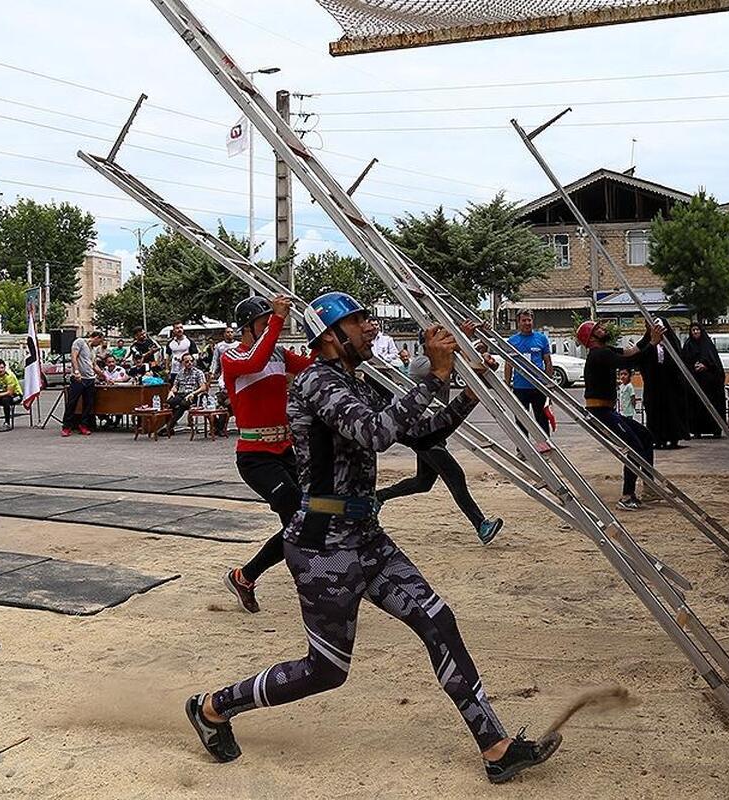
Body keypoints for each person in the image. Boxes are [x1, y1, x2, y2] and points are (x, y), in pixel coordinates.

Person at [186, 292, 562, 783]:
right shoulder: (316, 383)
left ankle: (496, 747)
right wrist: (435, 374)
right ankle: (213, 707)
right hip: (324, 548)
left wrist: (469, 390)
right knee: (327, 670)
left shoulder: (355, 381)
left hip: (365, 537)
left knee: (438, 622)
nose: (369, 327)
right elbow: (375, 434)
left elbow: (424, 434)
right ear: (330, 336)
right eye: (358, 320)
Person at [220, 294, 315, 614]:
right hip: (255, 456)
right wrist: (276, 318)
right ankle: (314, 587)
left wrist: (328, 338)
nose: (272, 327)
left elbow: (312, 368)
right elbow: (254, 363)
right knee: (299, 519)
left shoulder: (278, 352)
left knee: (303, 522)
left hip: (286, 451)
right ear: (247, 327)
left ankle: (244, 576)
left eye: (270, 322)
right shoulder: (232, 356)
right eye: (264, 323)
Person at [375, 350, 504, 545]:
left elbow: (464, 366)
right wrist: (479, 367)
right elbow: (457, 367)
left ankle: (379, 496)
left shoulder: (445, 358)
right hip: (421, 432)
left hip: (434, 429)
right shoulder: (422, 362)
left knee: (423, 482)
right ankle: (481, 525)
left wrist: (481, 364)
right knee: (455, 475)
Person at [578, 319, 662, 510]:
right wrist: (653, 344)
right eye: (598, 329)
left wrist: (648, 335)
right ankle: (627, 495)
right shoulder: (599, 354)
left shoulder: (606, 351)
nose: (603, 329)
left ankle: (648, 486)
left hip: (607, 410)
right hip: (599, 412)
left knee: (645, 437)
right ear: (591, 338)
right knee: (632, 446)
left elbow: (631, 352)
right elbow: (629, 361)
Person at [636, 319, 689, 449]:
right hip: (654, 385)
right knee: (655, 412)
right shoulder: (646, 343)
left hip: (671, 385)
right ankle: (657, 439)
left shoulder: (672, 343)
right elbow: (641, 358)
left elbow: (678, 362)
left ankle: (674, 438)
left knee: (672, 411)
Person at [504, 310, 554, 436]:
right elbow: (508, 364)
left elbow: (547, 361)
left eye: (529, 320)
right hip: (520, 388)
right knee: (521, 420)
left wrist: (549, 382)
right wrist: (507, 383)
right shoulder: (512, 341)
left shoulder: (541, 339)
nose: (527, 323)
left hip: (538, 387)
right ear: (518, 322)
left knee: (542, 419)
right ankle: (523, 450)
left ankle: (545, 448)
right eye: (524, 320)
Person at [681, 322, 726, 438]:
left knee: (712, 404)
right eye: (693, 330)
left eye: (697, 330)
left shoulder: (708, 345)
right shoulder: (688, 345)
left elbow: (716, 365)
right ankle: (696, 430)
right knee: (695, 406)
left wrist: (706, 366)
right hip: (695, 382)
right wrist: (693, 367)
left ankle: (715, 429)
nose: (695, 332)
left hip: (710, 383)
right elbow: (684, 362)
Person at [61, 330, 106, 437]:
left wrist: (103, 375)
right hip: (78, 379)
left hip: (90, 379)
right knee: (72, 402)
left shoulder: (93, 351)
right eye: (100, 341)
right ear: (96, 337)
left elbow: (93, 365)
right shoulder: (79, 342)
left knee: (88, 403)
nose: (99, 344)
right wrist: (76, 371)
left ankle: (83, 425)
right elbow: (74, 357)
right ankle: (66, 426)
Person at [162, 353, 207, 436]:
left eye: (191, 361)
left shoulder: (198, 372)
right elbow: (175, 386)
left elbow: (203, 387)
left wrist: (193, 393)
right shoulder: (180, 373)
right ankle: (168, 425)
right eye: (187, 361)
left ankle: (169, 427)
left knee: (183, 404)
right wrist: (171, 391)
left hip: (193, 395)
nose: (189, 363)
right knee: (168, 403)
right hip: (181, 394)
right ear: (182, 363)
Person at [0, 359, 22, 431]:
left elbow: (9, 392)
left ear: (5, 367)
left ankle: (7, 423)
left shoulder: (10, 376)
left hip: (16, 395)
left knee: (6, 400)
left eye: (2, 368)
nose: (0, 370)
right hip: (3, 394)